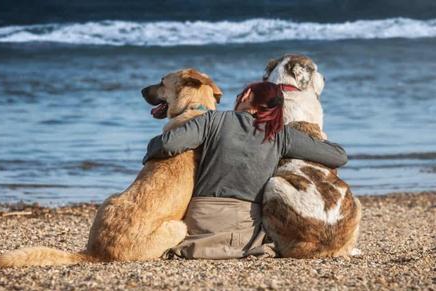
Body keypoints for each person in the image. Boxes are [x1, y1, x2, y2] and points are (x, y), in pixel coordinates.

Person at [143, 81, 348, 259]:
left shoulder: (213, 120)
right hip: (244, 233)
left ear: (247, 96)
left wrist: (149, 152)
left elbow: (168, 145)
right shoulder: (280, 135)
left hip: (200, 222)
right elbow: (338, 156)